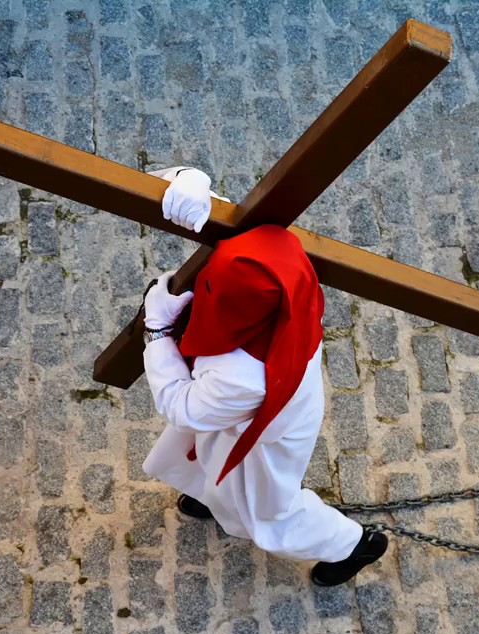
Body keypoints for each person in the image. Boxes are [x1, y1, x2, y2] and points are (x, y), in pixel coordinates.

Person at [137, 166, 388, 587]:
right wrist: (185, 178)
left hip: (265, 436)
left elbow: (181, 406)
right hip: (240, 410)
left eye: (212, 291)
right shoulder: (275, 263)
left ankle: (353, 544)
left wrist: (158, 332)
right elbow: (226, 221)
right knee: (207, 450)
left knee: (269, 512)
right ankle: (212, 498)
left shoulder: (242, 377)